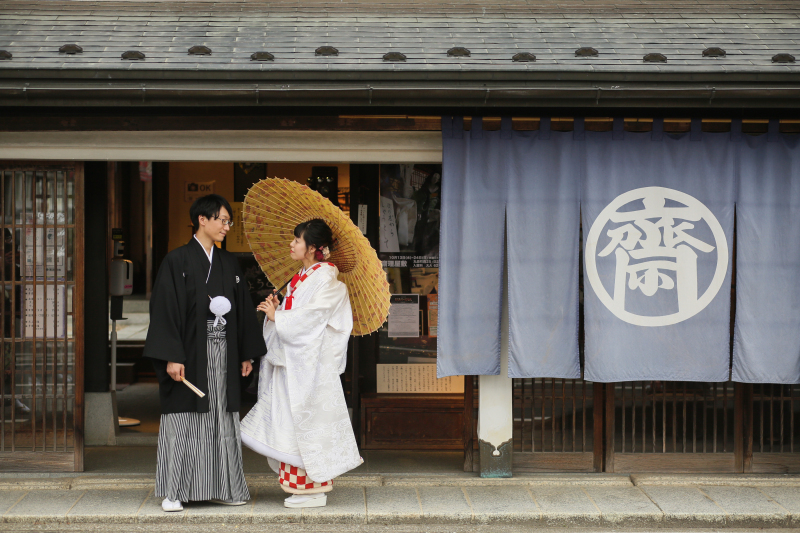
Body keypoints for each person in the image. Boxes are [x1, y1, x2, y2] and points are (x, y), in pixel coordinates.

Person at [144, 194, 267, 512]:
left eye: (229, 221)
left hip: (224, 353)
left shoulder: (231, 265)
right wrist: (172, 355)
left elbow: (240, 300)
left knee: (221, 419)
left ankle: (223, 487)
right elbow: (165, 309)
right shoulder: (176, 261)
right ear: (202, 219)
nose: (227, 226)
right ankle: (175, 490)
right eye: (222, 220)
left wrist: (245, 353)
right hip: (189, 353)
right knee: (184, 419)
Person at [240, 218, 362, 509]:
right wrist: (280, 308)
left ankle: (314, 489)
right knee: (290, 426)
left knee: (305, 427)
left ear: (314, 249)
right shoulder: (303, 279)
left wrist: (277, 317)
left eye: (297, 240)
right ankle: (301, 487)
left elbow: (312, 321)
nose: (292, 244)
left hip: (311, 370)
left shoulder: (330, 284)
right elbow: (300, 319)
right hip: (293, 366)